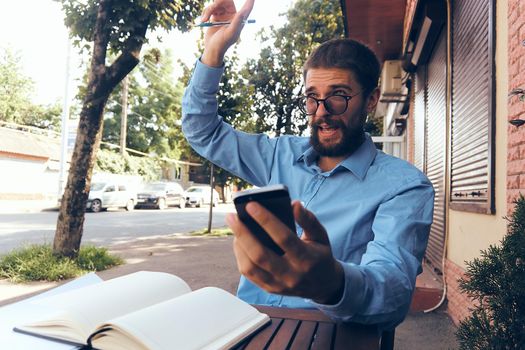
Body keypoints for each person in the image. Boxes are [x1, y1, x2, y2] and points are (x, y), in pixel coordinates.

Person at [181, 0, 434, 330]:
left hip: (329, 333)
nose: (321, 110)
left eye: (338, 95)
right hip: (247, 326)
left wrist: (332, 283)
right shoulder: (279, 154)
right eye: (312, 97)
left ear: (371, 101)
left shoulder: (404, 185)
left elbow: (392, 287)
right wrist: (214, 51)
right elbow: (203, 131)